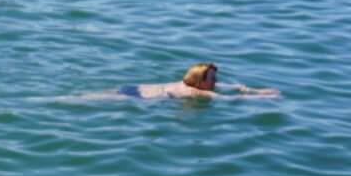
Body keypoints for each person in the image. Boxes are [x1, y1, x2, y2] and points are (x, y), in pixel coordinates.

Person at [103, 63, 280, 101]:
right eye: (212, 78)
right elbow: (231, 99)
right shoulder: (198, 92)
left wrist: (251, 89)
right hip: (140, 98)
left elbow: (233, 88)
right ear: (200, 82)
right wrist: (265, 97)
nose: (216, 80)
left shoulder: (189, 84)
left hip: (136, 88)